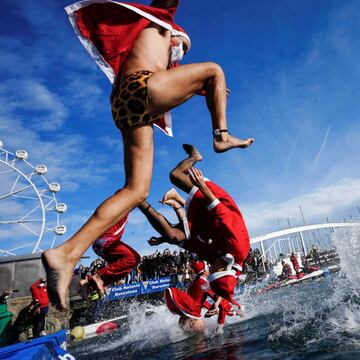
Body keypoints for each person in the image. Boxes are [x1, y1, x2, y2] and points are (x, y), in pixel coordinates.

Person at [43, 0, 254, 310]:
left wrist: (208, 90)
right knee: (214, 70)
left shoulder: (155, 55)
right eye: (181, 46)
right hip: (140, 87)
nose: (180, 54)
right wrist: (210, 84)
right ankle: (221, 137)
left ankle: (65, 254)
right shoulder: (159, 21)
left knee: (136, 190)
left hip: (126, 102)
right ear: (173, 34)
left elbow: (175, 79)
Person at [138, 144, 250, 305]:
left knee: (172, 235)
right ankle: (195, 157)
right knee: (175, 175)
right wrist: (202, 186)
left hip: (207, 226)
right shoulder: (238, 248)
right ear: (225, 270)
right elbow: (223, 214)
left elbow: (193, 246)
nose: (209, 270)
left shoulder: (217, 260)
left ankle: (138, 200)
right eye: (214, 271)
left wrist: (164, 240)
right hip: (217, 204)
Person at [82, 213, 141, 296]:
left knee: (126, 270)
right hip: (107, 240)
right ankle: (98, 276)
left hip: (100, 245)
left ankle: (88, 282)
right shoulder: (123, 204)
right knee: (134, 258)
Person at [164, 260, 211, 332]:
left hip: (183, 318)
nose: (209, 270)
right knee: (201, 340)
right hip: (193, 319)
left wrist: (211, 308)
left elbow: (199, 301)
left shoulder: (194, 282)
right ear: (204, 271)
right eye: (208, 268)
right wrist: (228, 309)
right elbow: (215, 297)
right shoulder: (203, 283)